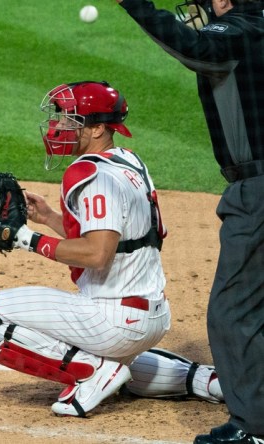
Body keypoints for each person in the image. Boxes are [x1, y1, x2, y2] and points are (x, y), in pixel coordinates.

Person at [0, 81, 222, 418]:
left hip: (110, 320)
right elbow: (126, 237)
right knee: (117, 358)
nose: (58, 126)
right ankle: (205, 380)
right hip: (151, 315)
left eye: (70, 119)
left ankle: (90, 370)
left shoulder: (91, 174)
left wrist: (25, 238)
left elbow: (98, 255)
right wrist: (50, 218)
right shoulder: (128, 162)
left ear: (97, 128)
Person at [115, 1, 264, 442]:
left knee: (234, 310)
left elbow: (193, 45)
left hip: (257, 193)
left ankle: (252, 428)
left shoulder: (240, 31)